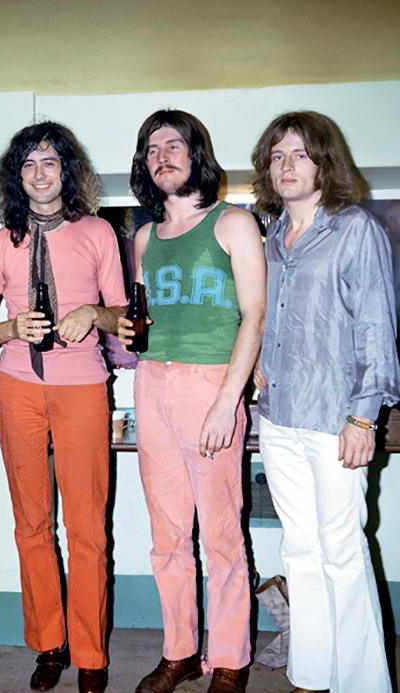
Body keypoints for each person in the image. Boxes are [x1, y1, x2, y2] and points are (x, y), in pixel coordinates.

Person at [0, 122, 126, 693]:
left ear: (67, 170)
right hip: (18, 389)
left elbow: (125, 318)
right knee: (32, 525)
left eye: (50, 162)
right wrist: (12, 327)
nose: (39, 174)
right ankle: (49, 645)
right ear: (17, 175)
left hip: (83, 387)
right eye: (29, 164)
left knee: (88, 528)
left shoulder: (98, 233)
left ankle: (90, 653)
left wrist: (95, 315)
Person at [118, 109, 266, 693]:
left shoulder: (233, 222)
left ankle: (229, 658)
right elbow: (146, 317)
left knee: (222, 533)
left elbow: (254, 315)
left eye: (173, 145)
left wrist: (228, 402)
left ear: (195, 153)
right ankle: (178, 651)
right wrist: (128, 332)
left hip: (211, 384)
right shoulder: (145, 237)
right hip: (151, 382)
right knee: (168, 535)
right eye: (151, 149)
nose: (162, 156)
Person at [252, 110, 399, 693]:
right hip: (280, 418)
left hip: (336, 418)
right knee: (300, 551)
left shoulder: (355, 229)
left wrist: (365, 416)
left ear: (323, 163)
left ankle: (362, 684)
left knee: (342, 552)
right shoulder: (271, 236)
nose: (286, 166)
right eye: (277, 156)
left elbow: (375, 327)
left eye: (300, 155)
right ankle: (312, 676)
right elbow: (270, 318)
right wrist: (261, 360)